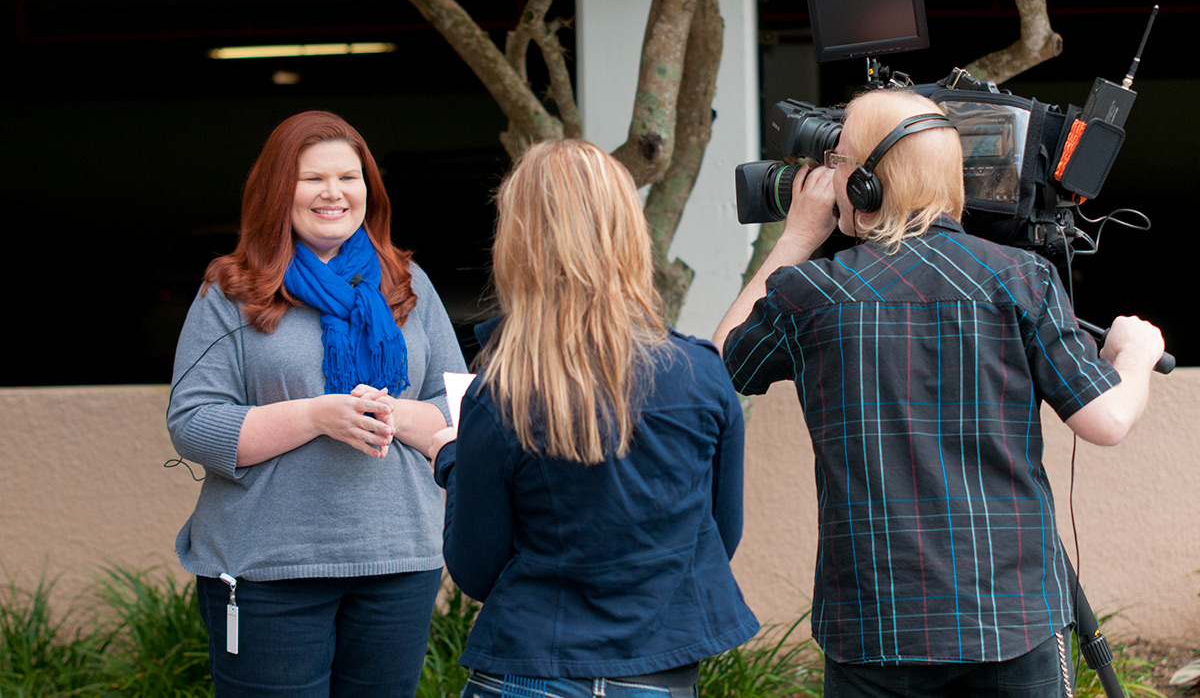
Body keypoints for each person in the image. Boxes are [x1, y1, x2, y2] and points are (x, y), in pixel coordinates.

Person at [712, 89, 1165, 698]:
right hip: (1010, 618)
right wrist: (1134, 359)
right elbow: (1106, 419)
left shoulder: (811, 293)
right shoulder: (1020, 278)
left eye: (838, 161)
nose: (825, 177)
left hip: (873, 625)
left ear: (868, 184)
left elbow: (720, 365)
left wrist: (796, 236)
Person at [394, 139, 760, 698]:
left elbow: (477, 569)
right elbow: (717, 536)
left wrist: (449, 452)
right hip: (656, 676)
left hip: (532, 670)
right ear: (629, 233)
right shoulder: (701, 374)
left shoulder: (502, 396)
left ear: (518, 244)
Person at [167, 110, 467, 697]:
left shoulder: (407, 281)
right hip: (268, 565)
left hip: (398, 558)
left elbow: (457, 406)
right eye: (312, 179)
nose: (333, 193)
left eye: (349, 178)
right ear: (279, 189)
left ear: (368, 189)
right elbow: (194, 424)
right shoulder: (232, 289)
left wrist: (391, 414)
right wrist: (316, 415)